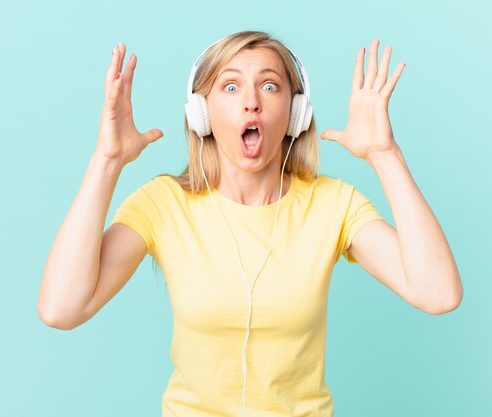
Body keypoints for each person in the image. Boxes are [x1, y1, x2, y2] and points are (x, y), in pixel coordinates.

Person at [38, 30, 463, 417]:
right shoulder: (164, 204)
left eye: (270, 85)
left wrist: (384, 155)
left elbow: (439, 294)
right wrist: (107, 161)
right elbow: (61, 309)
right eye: (230, 85)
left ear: (296, 112)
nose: (251, 101)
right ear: (200, 113)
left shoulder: (333, 205)